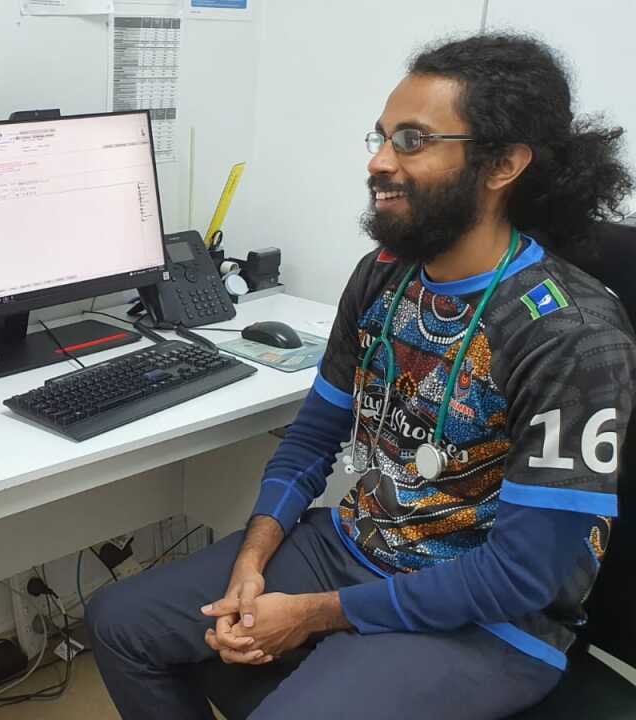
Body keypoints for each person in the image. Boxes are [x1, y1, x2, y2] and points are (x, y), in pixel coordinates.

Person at [86, 33, 635, 720]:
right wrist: (255, 555)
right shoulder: (384, 273)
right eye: (380, 137)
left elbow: (522, 576)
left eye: (412, 140)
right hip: (354, 548)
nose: (379, 162)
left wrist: (315, 614)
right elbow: (315, 433)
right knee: (118, 621)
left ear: (502, 164)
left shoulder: (569, 334)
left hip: (490, 621)